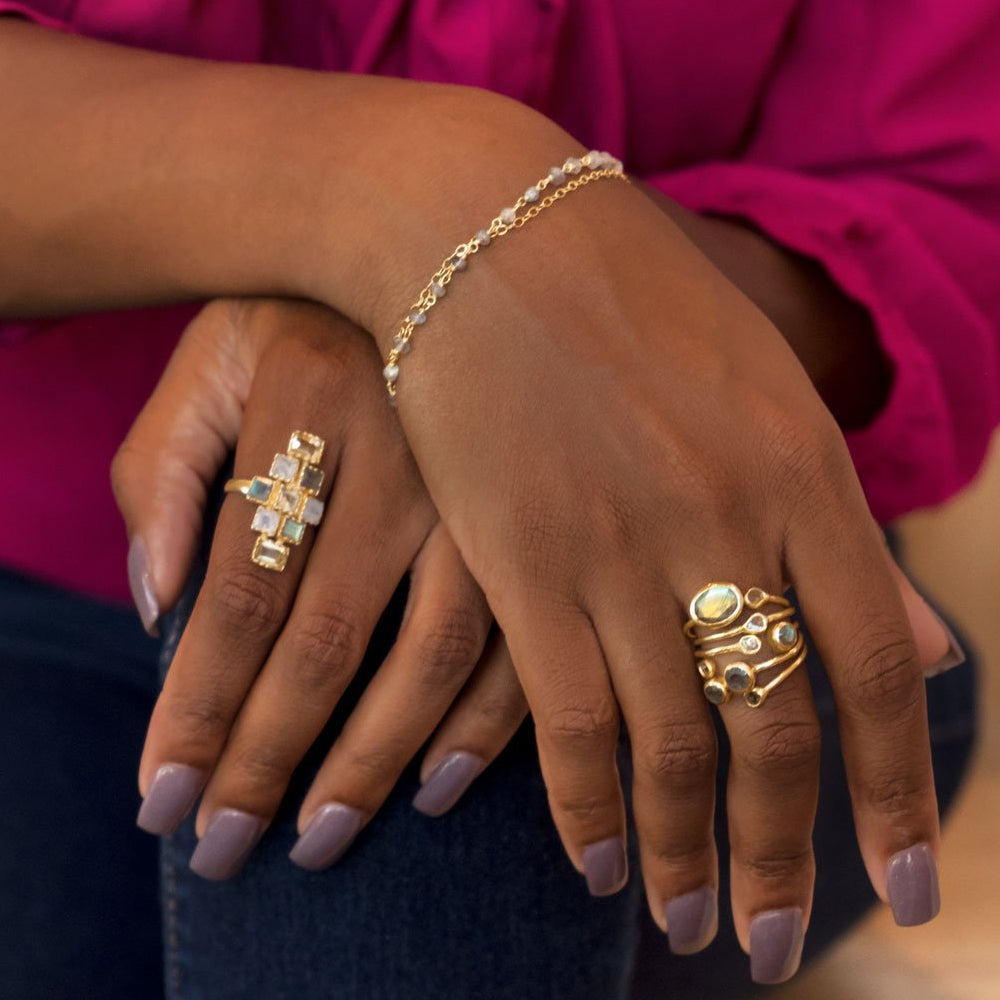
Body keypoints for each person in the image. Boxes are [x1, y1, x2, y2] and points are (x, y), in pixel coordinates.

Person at [0, 3, 994, 998]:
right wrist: (409, 196)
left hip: (703, 590)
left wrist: (525, 327)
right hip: (40, 596)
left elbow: (948, 209)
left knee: (456, 665)